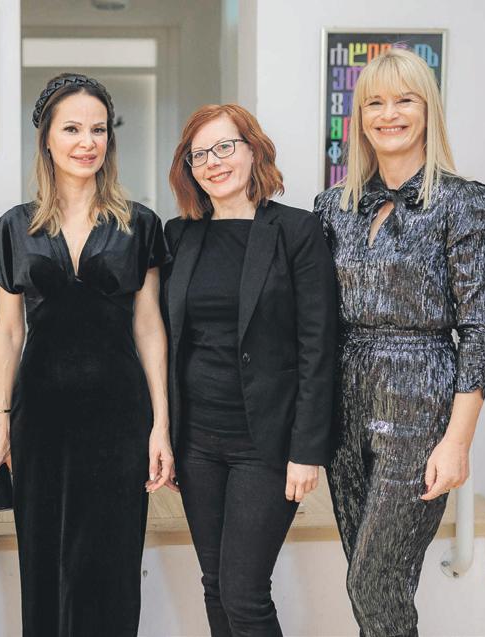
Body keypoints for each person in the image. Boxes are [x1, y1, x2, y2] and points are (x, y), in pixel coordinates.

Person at [313, 48, 485, 636]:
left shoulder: (463, 203)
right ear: (359, 117)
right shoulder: (333, 208)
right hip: (345, 401)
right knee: (372, 578)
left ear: (428, 110)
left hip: (421, 402)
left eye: (404, 100)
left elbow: (479, 328)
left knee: (371, 580)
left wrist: (457, 442)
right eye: (374, 102)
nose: (389, 114)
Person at [0, 73, 173, 637]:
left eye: (99, 129)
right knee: (44, 559)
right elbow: (7, 331)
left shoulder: (140, 224)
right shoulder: (14, 227)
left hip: (119, 416)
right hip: (41, 416)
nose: (88, 142)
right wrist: (0, 421)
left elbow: (149, 327)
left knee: (112, 563)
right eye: (72, 129)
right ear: (46, 138)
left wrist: (161, 425)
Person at [163, 104, 338, 636]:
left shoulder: (296, 230)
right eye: (198, 155)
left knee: (244, 591)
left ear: (253, 149)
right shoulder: (179, 235)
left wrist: (306, 450)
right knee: (215, 584)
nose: (213, 163)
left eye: (224, 147)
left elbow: (317, 345)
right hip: (197, 441)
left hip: (265, 444)